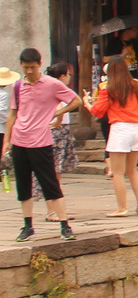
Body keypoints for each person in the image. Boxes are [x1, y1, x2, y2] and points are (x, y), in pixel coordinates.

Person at [5, 48, 84, 241]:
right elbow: (12, 114)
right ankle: (27, 225)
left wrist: (58, 112)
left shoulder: (52, 84)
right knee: (23, 185)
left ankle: (64, 224)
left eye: (32, 67)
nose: (29, 71)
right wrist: (6, 141)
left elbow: (76, 101)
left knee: (50, 183)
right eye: (25, 68)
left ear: (40, 65)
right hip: (19, 139)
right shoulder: (17, 86)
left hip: (40, 140)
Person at [92, 57, 138, 215]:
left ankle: (122, 208)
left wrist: (88, 103)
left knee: (118, 172)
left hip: (119, 128)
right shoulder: (135, 83)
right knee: (132, 170)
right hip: (136, 128)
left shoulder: (108, 88)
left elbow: (98, 111)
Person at [36, 63, 81, 203]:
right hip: (56, 131)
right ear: (62, 76)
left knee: (56, 171)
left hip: (58, 130)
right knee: (55, 171)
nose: (69, 78)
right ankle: (53, 207)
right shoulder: (56, 88)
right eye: (68, 74)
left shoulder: (50, 87)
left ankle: (55, 205)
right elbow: (61, 105)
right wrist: (59, 116)